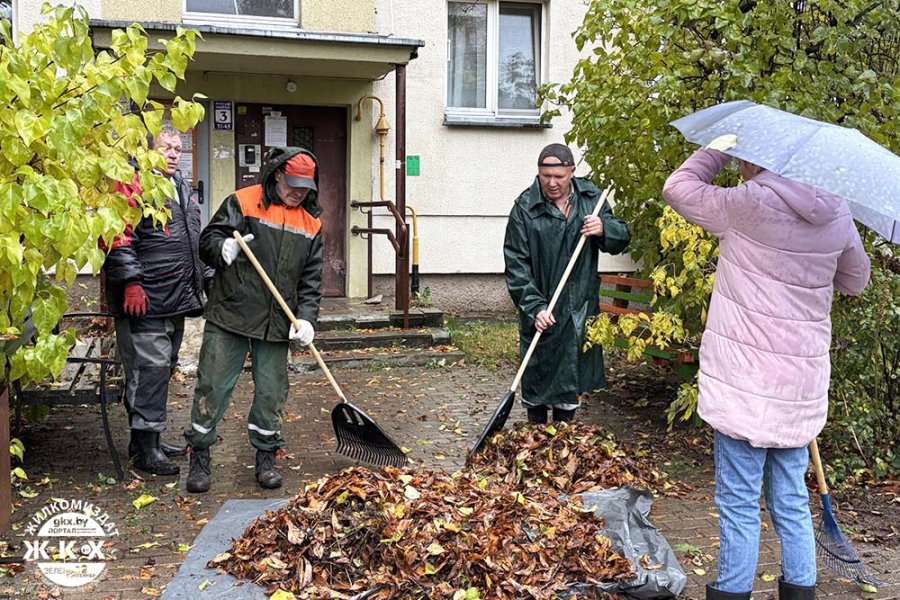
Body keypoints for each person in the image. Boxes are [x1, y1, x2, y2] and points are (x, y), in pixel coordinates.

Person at [662, 136, 871, 600]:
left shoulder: (750, 202)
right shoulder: (836, 210)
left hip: (744, 382)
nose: (737, 166)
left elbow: (678, 188)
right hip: (798, 387)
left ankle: (733, 592)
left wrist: (718, 146)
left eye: (740, 159)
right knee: (792, 501)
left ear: (756, 159)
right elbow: (857, 281)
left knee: (738, 503)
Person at [183, 147, 323, 493]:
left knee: (272, 393)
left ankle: (266, 455)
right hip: (231, 311)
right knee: (212, 385)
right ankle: (199, 454)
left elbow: (311, 280)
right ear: (277, 175)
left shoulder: (311, 223)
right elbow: (209, 239)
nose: (297, 192)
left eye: (305, 187)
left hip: (277, 321)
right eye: (292, 184)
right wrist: (222, 251)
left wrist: (306, 320)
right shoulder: (243, 202)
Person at [103, 125, 210, 476]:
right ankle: (145, 450)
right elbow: (117, 236)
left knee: (161, 370)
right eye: (167, 147)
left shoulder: (179, 186)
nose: (174, 154)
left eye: (179, 148)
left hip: (175, 297)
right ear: (148, 149)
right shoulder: (132, 183)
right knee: (148, 371)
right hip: (144, 300)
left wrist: (205, 276)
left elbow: (191, 238)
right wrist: (131, 282)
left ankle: (147, 438)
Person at [503, 143, 631, 424]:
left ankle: (564, 442)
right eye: (545, 176)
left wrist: (603, 228)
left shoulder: (591, 199)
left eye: (558, 177)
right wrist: (534, 307)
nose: (551, 183)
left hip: (580, 309)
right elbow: (516, 267)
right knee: (537, 384)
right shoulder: (525, 208)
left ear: (571, 172)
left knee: (570, 386)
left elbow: (622, 236)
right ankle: (535, 443)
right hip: (543, 311)